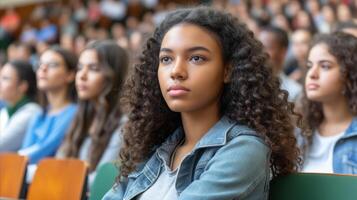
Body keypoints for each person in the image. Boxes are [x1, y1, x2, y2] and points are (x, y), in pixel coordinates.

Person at [103, 7, 300, 200]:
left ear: (228, 71)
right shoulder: (155, 146)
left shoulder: (245, 149)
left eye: (196, 58)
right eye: (166, 59)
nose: (176, 71)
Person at [56, 40, 128, 187]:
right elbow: (59, 164)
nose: (82, 76)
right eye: (80, 68)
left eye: (94, 68)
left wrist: (60, 180)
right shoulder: (82, 116)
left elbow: (101, 181)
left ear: (113, 76)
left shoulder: (124, 124)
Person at [301, 32, 357, 174]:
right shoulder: (298, 131)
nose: (312, 74)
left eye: (325, 66)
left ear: (350, 74)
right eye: (309, 65)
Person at [18, 46, 77, 164]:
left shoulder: (74, 112)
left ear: (70, 75)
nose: (43, 69)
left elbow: (43, 150)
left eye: (53, 65)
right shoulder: (39, 114)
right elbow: (25, 150)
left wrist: (14, 161)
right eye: (40, 64)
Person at [0, 60, 41, 151]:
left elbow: (2, 144)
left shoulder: (31, 112)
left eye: (5, 78)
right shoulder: (5, 111)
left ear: (22, 86)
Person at [259, 26, 302, 102]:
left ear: (283, 51)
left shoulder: (294, 92)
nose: (261, 52)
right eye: (258, 46)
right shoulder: (245, 82)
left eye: (267, 47)